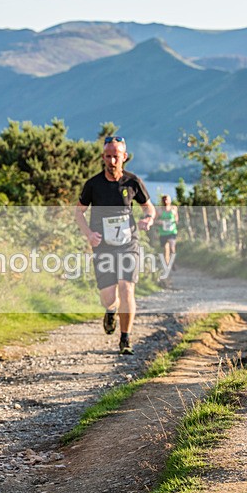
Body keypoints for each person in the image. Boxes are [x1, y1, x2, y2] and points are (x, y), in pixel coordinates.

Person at [75, 136, 156, 355]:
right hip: (102, 245)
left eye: (116, 156)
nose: (112, 161)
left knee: (127, 286)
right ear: (103, 157)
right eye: (108, 156)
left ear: (124, 157)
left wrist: (148, 219)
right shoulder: (93, 184)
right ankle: (110, 310)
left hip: (128, 242)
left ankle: (125, 339)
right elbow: (79, 212)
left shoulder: (132, 182)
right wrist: (89, 234)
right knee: (108, 296)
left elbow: (150, 209)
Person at [156, 194, 178, 272]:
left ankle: (173, 263)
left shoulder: (174, 208)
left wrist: (172, 221)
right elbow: (155, 220)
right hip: (163, 232)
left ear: (170, 200)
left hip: (172, 231)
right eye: (164, 200)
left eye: (167, 199)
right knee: (165, 249)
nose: (166, 201)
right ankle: (167, 264)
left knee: (172, 247)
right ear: (162, 201)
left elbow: (176, 219)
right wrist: (160, 222)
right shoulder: (159, 210)